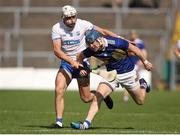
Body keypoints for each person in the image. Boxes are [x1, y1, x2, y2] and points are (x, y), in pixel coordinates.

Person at [51, 5, 119, 128]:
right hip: (67, 63)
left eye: (73, 17)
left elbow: (102, 31)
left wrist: (120, 38)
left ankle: (103, 95)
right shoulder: (57, 28)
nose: (72, 20)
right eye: (68, 18)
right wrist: (71, 62)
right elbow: (57, 50)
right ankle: (58, 122)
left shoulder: (83, 24)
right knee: (59, 89)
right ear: (63, 18)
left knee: (86, 98)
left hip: (82, 63)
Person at [70, 29, 153, 129]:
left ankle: (143, 84)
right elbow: (79, 57)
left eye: (93, 43)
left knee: (140, 101)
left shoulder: (116, 42)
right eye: (89, 44)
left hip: (128, 73)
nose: (91, 46)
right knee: (98, 97)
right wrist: (81, 68)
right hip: (111, 75)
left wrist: (145, 62)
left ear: (99, 40)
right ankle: (85, 124)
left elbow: (135, 49)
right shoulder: (91, 50)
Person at [123, 30, 148, 102]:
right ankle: (127, 96)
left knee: (134, 79)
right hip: (128, 63)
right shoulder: (127, 42)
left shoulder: (140, 43)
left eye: (134, 34)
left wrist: (143, 61)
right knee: (128, 79)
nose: (132, 35)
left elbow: (144, 52)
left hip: (136, 64)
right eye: (131, 34)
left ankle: (140, 90)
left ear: (136, 35)